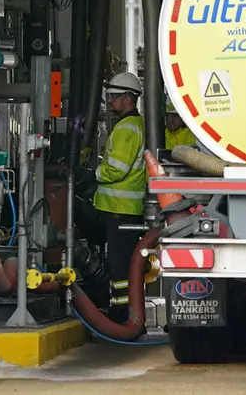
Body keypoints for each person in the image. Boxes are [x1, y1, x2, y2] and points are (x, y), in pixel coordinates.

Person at [92, 71, 147, 323]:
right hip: (125, 206)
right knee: (121, 262)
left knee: (120, 264)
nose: (110, 102)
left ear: (128, 98)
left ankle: (122, 313)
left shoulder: (126, 129)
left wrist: (94, 173)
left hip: (120, 206)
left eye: (114, 97)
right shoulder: (136, 125)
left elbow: (116, 169)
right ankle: (121, 310)